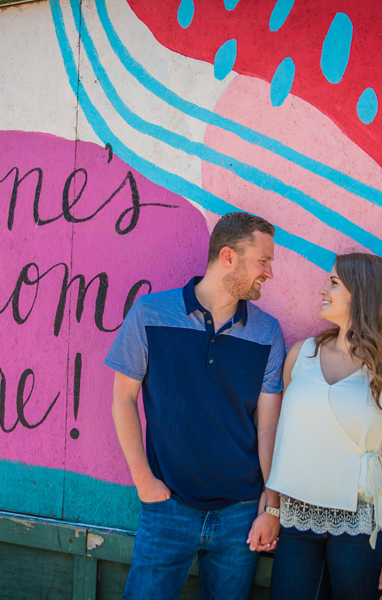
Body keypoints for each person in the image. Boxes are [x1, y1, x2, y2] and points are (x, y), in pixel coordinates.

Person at [105, 212, 285, 600]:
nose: (270, 272)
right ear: (228, 257)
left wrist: (270, 505)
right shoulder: (150, 314)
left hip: (240, 512)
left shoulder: (267, 332)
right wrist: (143, 480)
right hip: (168, 503)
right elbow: (123, 399)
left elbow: (269, 427)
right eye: (264, 260)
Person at [266, 253, 382, 600]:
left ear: (363, 294)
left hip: (364, 528)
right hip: (298, 519)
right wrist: (270, 506)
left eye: (333, 283)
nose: (321, 290)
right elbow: (281, 437)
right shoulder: (301, 356)